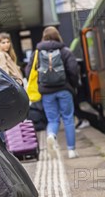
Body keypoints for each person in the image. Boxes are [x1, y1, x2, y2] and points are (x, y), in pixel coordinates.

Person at [26, 27, 80, 159]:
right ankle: (71, 150)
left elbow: (29, 71)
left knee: (52, 119)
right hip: (64, 89)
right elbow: (73, 70)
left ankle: (51, 135)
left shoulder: (37, 52)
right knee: (68, 119)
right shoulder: (65, 51)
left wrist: (40, 85)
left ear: (44, 37)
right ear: (58, 36)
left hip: (46, 92)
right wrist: (72, 85)